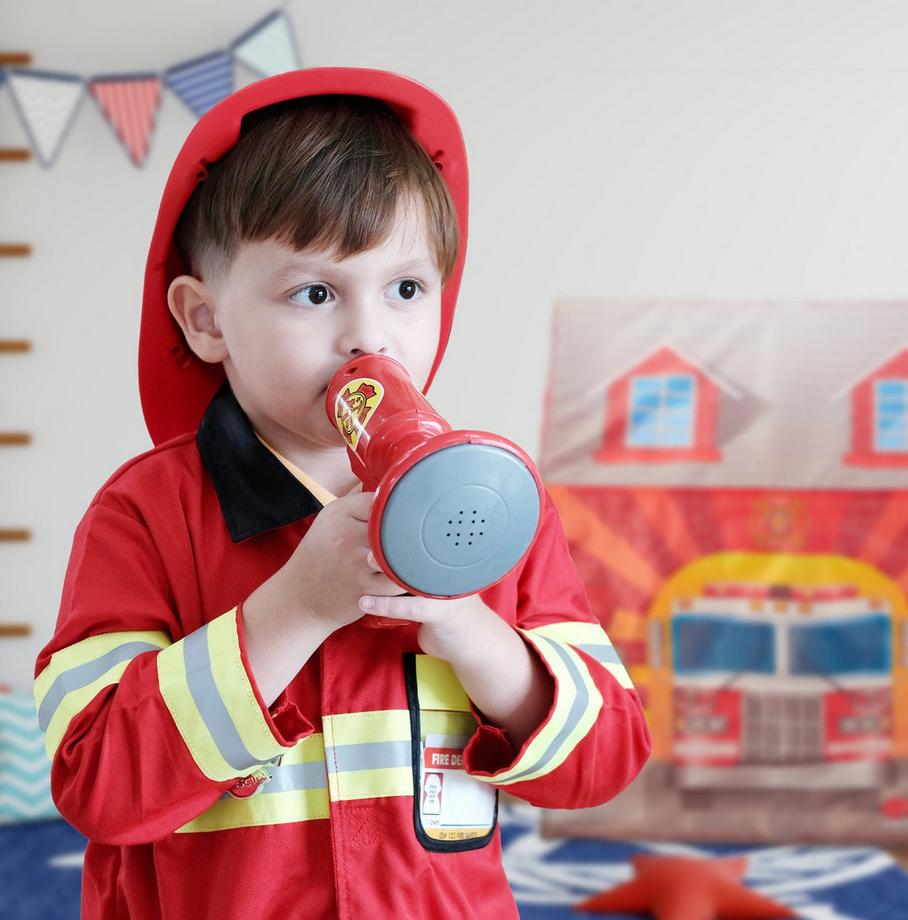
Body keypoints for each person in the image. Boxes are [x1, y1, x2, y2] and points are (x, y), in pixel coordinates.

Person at [34, 67, 652, 919]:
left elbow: (608, 758)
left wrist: (474, 632)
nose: (369, 332)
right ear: (205, 320)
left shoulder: (494, 501)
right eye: (315, 292)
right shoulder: (143, 514)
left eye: (406, 289)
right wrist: (296, 606)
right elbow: (98, 785)